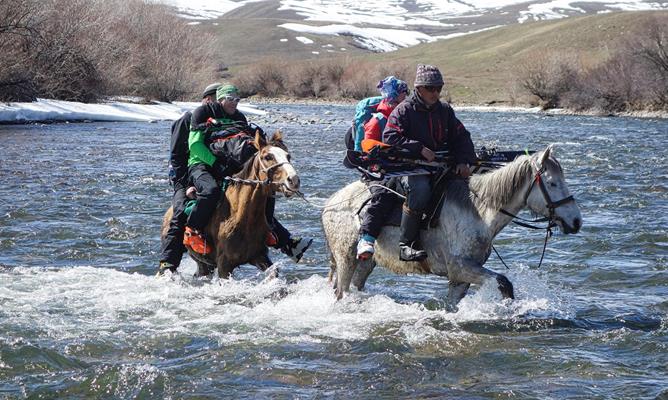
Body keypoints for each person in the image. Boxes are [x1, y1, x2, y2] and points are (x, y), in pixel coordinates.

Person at [184, 84, 312, 262]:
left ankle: (270, 230)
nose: (234, 103)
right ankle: (193, 230)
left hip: (228, 163)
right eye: (230, 99)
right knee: (212, 191)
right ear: (220, 99)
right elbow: (195, 146)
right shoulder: (202, 113)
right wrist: (216, 164)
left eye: (237, 100)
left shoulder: (239, 117)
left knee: (264, 188)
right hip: (202, 163)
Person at [383, 64, 476, 262]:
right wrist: (419, 149)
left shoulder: (444, 110)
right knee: (420, 190)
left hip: (439, 166)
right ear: (419, 89)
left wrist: (463, 161)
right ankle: (406, 244)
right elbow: (390, 137)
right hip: (409, 169)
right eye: (431, 88)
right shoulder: (403, 110)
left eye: (439, 88)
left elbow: (462, 136)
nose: (436, 93)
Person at [158, 83, 220, 275]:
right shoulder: (186, 121)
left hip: (210, 176)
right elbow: (176, 159)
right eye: (219, 100)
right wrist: (185, 186)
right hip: (186, 179)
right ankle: (167, 264)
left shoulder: (221, 122)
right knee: (180, 213)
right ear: (209, 100)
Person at [356, 76, 408, 260]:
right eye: (404, 93)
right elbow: (366, 148)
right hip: (377, 169)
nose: (407, 97)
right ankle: (366, 238)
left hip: (401, 167)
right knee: (384, 195)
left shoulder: (404, 117)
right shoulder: (377, 120)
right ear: (396, 95)